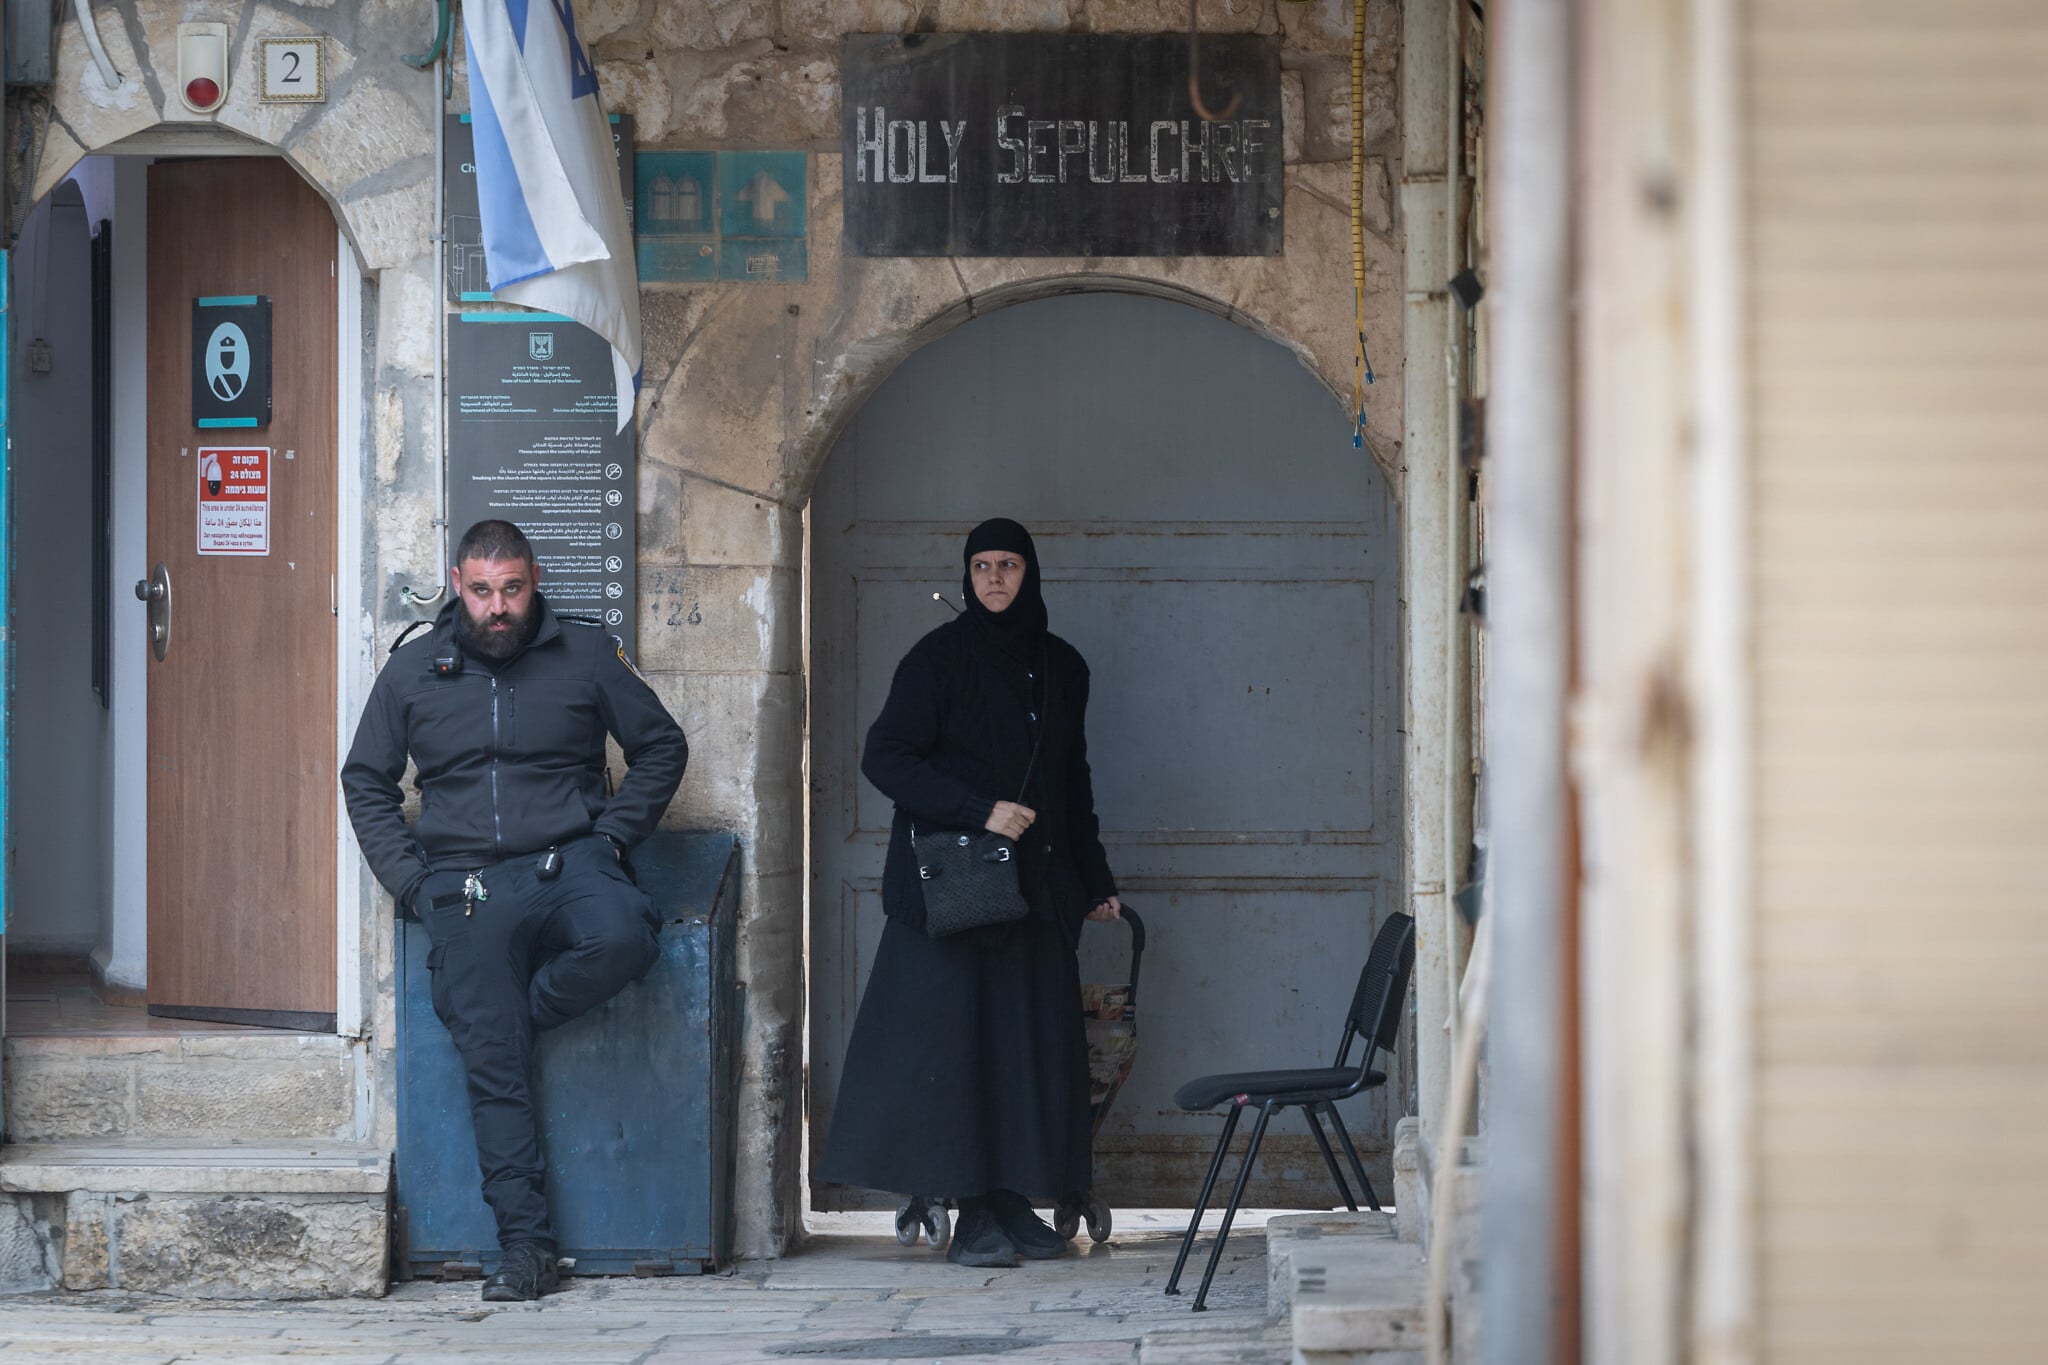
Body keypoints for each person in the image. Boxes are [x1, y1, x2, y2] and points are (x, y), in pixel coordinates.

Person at [341, 519, 688, 1301]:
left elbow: (662, 745)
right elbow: (365, 779)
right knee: (494, 1066)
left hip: (571, 864)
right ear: (458, 585)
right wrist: (411, 880)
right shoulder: (410, 670)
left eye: (512, 589)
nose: (498, 607)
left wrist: (613, 837)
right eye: (482, 590)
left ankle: (502, 1017)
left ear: (534, 581)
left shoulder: (588, 654)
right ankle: (525, 1248)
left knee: (626, 936)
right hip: (463, 882)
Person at [818, 517, 1123, 1268]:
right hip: (953, 894)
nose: (994, 578)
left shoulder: (1063, 667)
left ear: (1031, 574)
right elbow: (884, 756)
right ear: (967, 574)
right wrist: (978, 808)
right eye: (981, 565)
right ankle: (972, 1211)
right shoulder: (938, 660)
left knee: (1026, 1050)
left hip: (1037, 891)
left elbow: (1070, 782)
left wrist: (1094, 878)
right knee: (956, 1050)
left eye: (1008, 565)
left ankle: (1013, 1200)